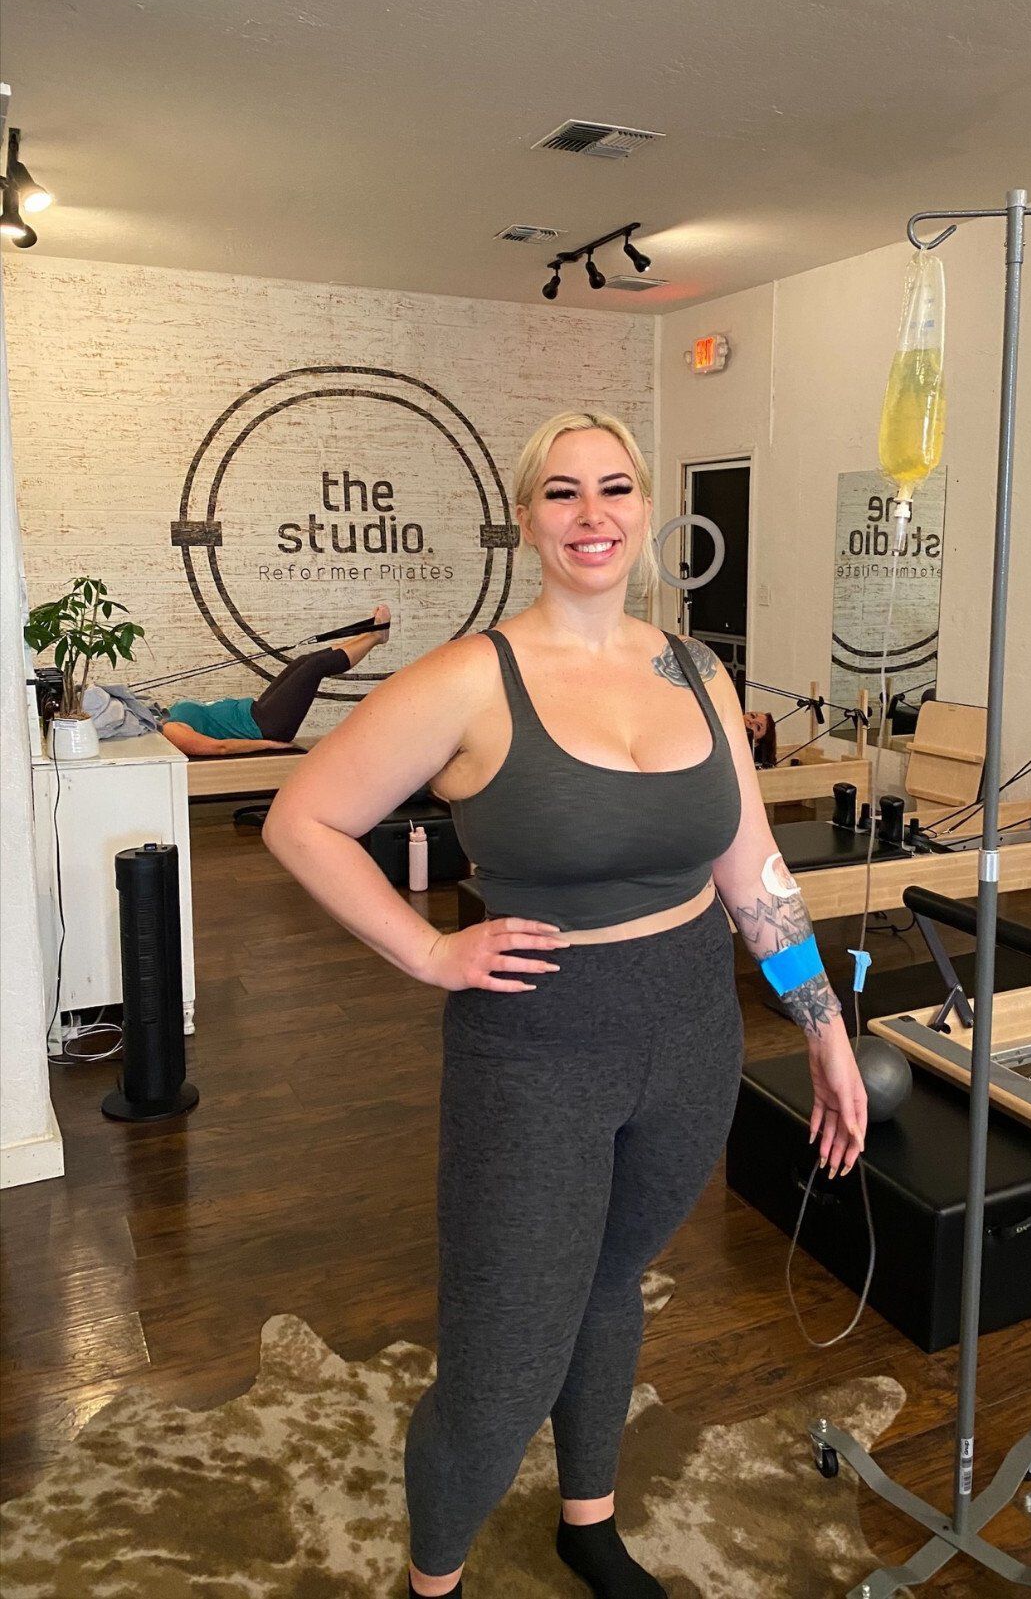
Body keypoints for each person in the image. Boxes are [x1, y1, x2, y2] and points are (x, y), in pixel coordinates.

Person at [260, 409, 867, 1599]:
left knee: (609, 1284)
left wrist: (825, 1032)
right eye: (562, 492)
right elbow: (303, 818)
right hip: (535, 1049)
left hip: (688, 1034)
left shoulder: (697, 671)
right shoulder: (468, 678)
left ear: (645, 508)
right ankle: (434, 1581)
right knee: (500, 1364)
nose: (592, 514)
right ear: (526, 517)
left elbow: (752, 870)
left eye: (615, 487)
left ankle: (586, 1521)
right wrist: (425, 950)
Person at [154, 608, 390, 757]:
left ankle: (373, 634)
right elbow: (220, 747)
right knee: (314, 667)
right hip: (266, 726)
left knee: (303, 661)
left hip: (258, 712)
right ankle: (375, 637)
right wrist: (270, 744)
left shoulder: (166, 715)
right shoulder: (170, 730)